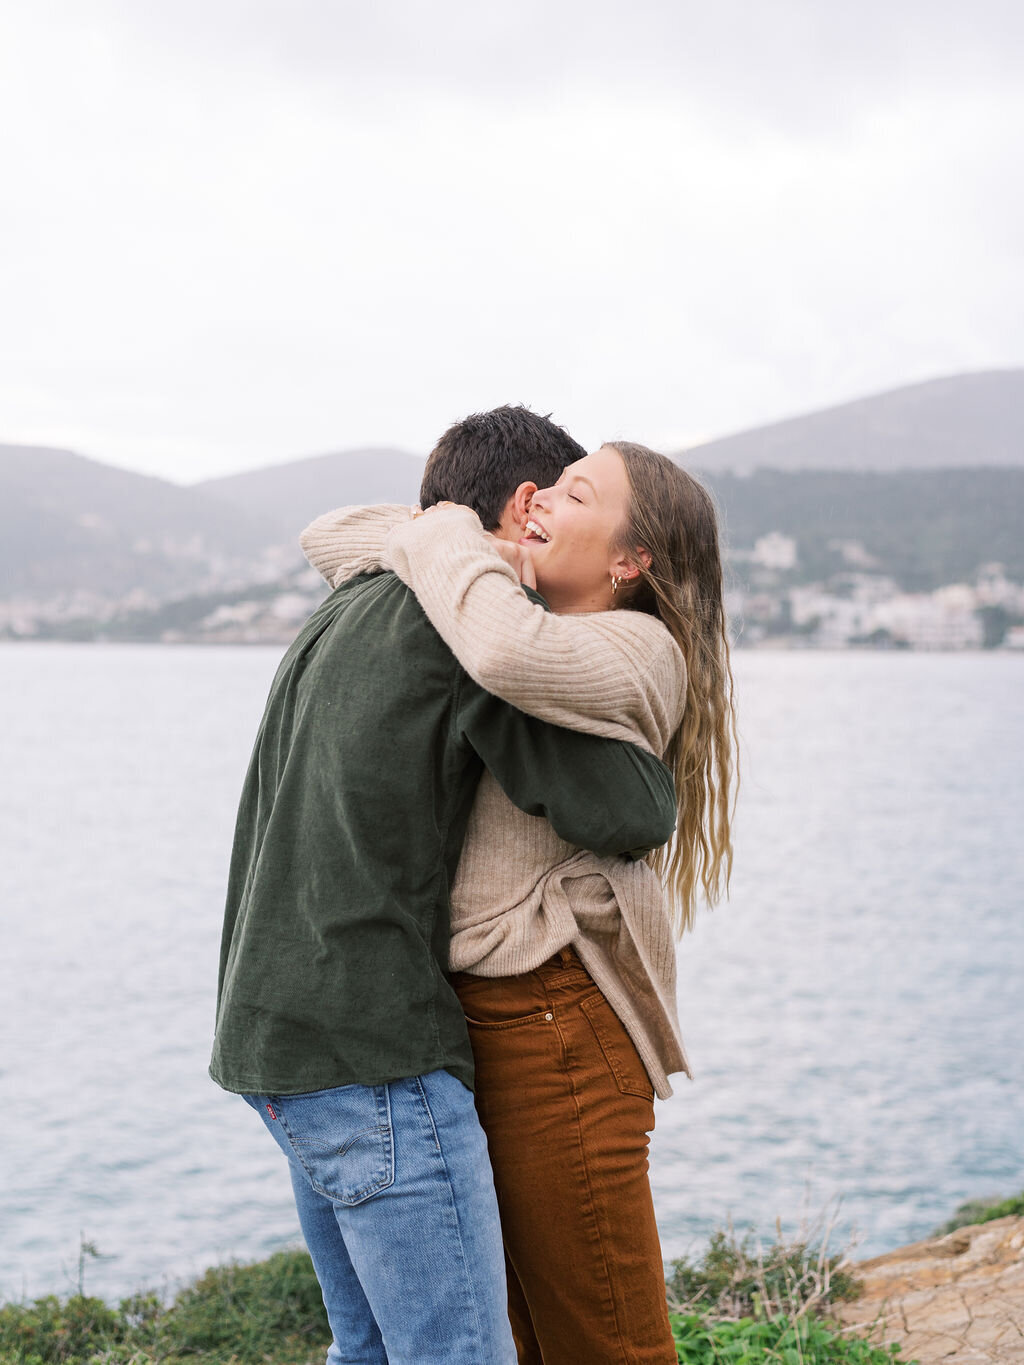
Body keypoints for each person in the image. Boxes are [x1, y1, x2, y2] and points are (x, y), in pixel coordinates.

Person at [209, 409, 680, 1365]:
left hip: (273, 1044)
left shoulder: (347, 606)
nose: (549, 516)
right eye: (549, 499)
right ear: (518, 507)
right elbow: (628, 811)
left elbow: (335, 531)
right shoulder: (463, 625)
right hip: (375, 1043)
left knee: (371, 1351)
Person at [301, 440, 736, 1364]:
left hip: (558, 1023)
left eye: (575, 493)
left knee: (606, 1342)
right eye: (537, 491)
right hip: (481, 1026)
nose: (538, 502)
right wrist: (476, 544)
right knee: (526, 1340)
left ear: (631, 561)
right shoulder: (503, 600)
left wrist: (457, 540)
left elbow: (503, 650)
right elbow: (330, 534)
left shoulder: (633, 646)